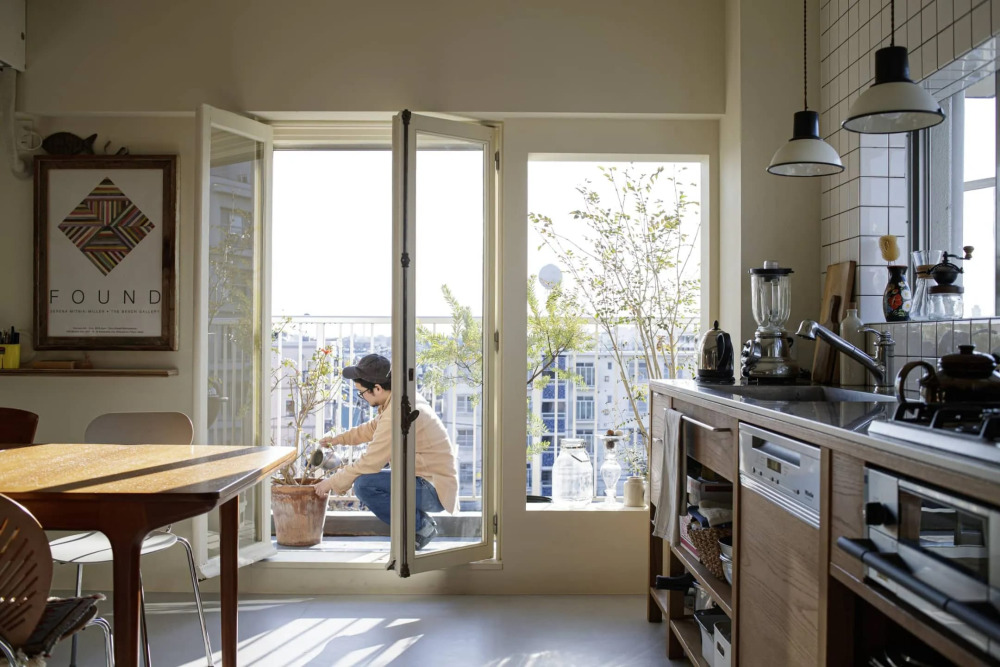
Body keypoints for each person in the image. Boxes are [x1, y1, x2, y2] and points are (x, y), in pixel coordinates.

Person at [314, 353, 459, 549]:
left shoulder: (396, 412)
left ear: (378, 388)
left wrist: (330, 483)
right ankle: (420, 524)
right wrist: (338, 439)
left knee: (364, 485)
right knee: (366, 481)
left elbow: (369, 463)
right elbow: (372, 428)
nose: (362, 398)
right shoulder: (399, 399)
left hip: (433, 488)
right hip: (427, 481)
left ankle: (422, 526)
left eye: (362, 393)